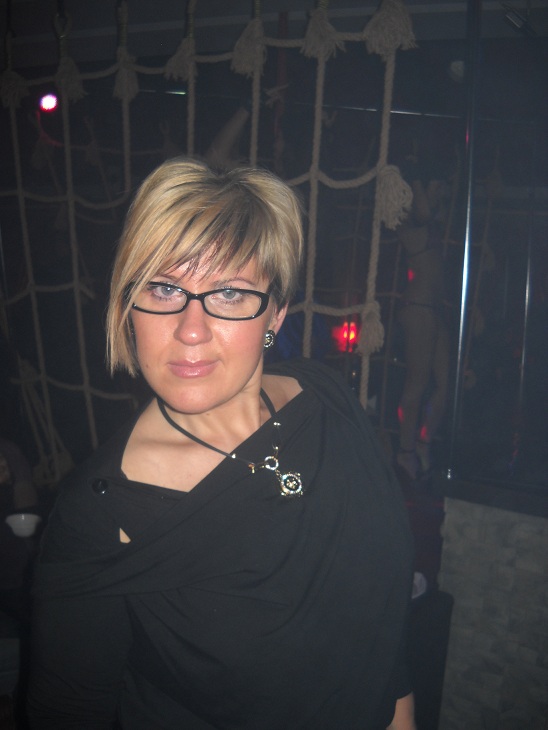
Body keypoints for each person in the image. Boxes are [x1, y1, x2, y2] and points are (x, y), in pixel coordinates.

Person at [27, 158, 416, 729]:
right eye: (164, 288)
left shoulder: (328, 401)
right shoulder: (98, 516)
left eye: (230, 292)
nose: (191, 329)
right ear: (127, 305)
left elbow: (383, 632)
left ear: (274, 314)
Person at [395, 165, 450, 483]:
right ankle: (405, 452)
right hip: (418, 310)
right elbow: (424, 213)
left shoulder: (434, 221)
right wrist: (418, 176)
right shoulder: (412, 220)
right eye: (437, 187)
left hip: (435, 310)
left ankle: (423, 442)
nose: (441, 193)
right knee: (416, 383)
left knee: (444, 382)